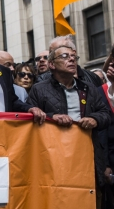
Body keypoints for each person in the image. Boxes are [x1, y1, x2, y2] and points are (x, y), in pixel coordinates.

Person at [28, 45, 109, 194]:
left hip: (86, 156)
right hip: (54, 158)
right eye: (65, 56)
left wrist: (94, 119)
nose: (72, 59)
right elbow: (30, 120)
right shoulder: (38, 89)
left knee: (89, 204)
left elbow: (105, 114)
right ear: (51, 64)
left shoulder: (89, 88)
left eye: (74, 57)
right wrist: (52, 117)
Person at [35, 36, 102, 87]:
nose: (51, 57)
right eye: (51, 54)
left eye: (60, 53)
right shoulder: (42, 81)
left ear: (73, 53)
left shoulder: (93, 78)